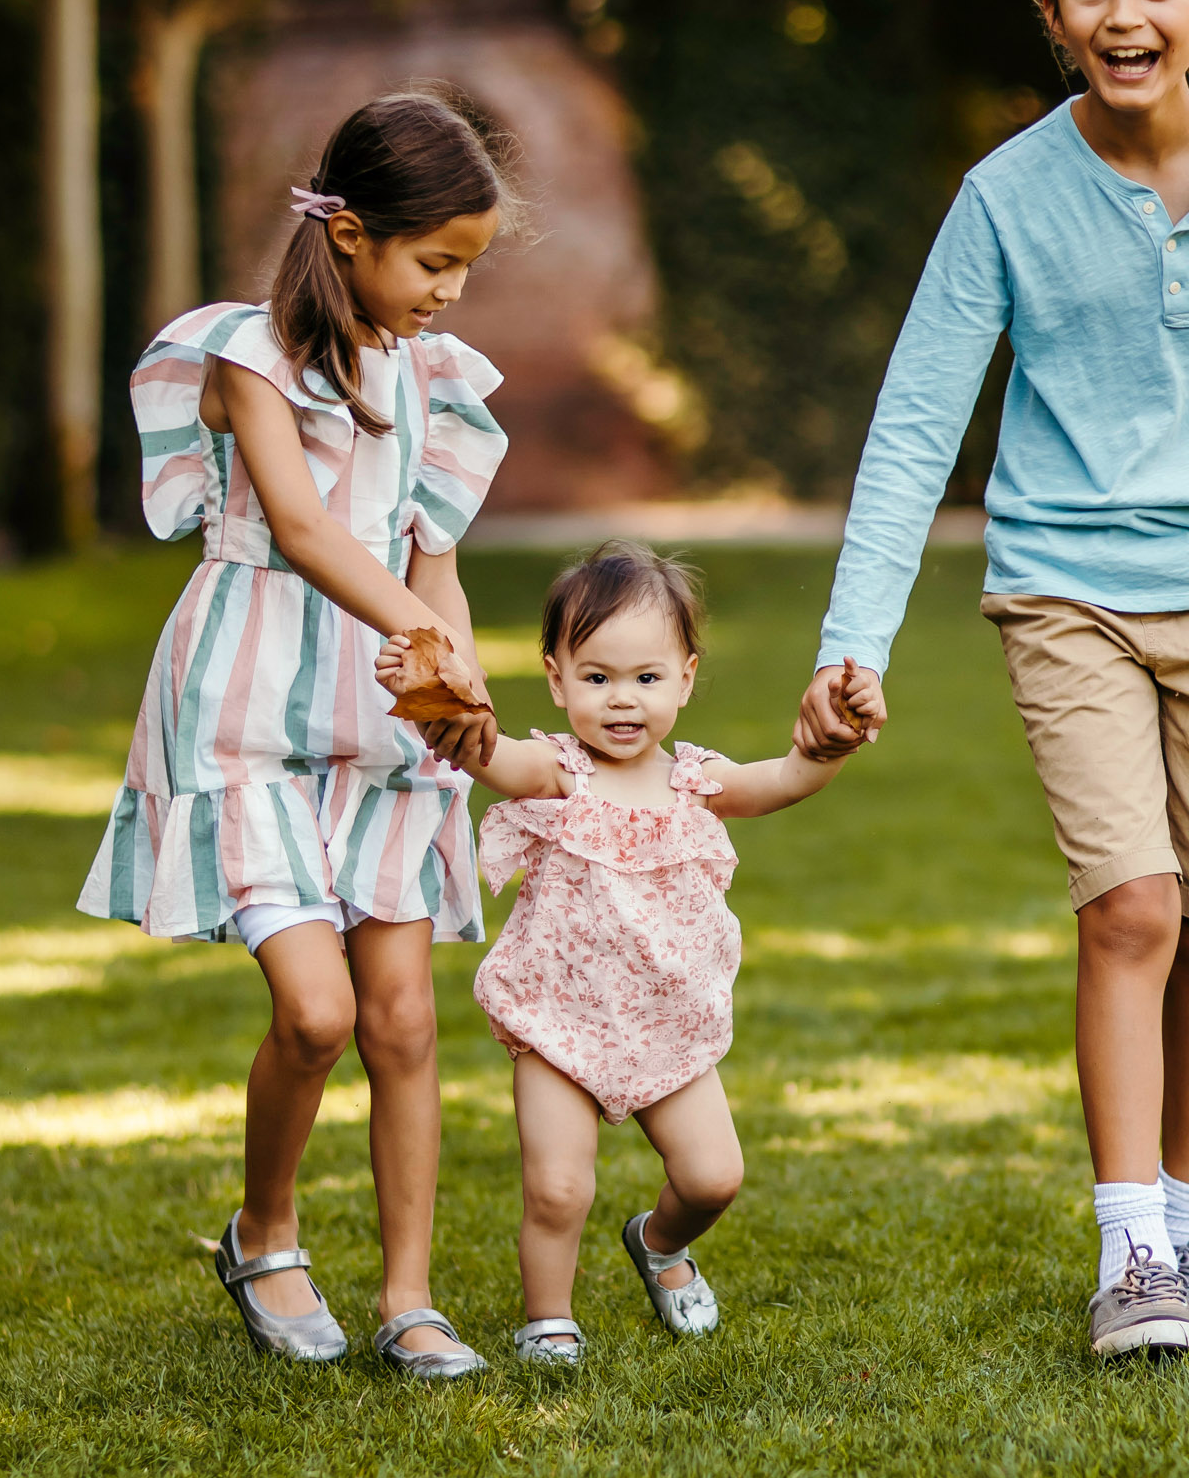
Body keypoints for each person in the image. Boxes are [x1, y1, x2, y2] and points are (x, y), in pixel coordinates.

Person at [794, 0, 1189, 1359]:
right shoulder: (1003, 195)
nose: (1123, 15)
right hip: (1065, 591)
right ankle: (1129, 1257)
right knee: (1131, 904)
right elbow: (917, 422)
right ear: (1053, 17)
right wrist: (847, 642)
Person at [79, 91, 515, 1383]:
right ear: (348, 237)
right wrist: (419, 636)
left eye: (466, 269)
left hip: (384, 728)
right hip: (248, 715)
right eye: (435, 263)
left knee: (402, 1021)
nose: (450, 294)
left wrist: (462, 687)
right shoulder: (247, 360)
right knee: (316, 1014)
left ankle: (410, 1296)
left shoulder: (434, 379)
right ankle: (263, 1230)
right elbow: (310, 531)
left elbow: (432, 562)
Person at [385, 543, 853, 1367]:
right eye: (596, 678)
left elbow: (781, 779)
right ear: (557, 679)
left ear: (686, 677)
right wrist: (436, 701)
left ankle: (660, 1244)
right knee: (558, 1188)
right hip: (561, 1020)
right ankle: (549, 1319)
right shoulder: (559, 774)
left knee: (713, 1177)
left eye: (645, 677)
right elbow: (489, 754)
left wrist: (826, 749)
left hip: (667, 1025)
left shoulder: (696, 782)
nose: (622, 700)